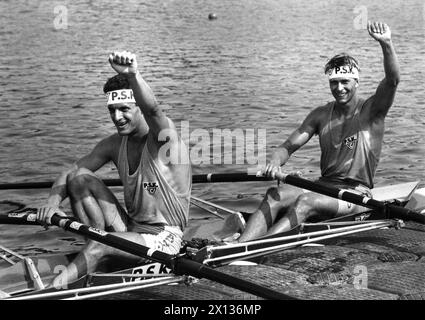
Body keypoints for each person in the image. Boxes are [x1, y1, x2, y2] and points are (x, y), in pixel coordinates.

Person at [36, 51, 192, 288]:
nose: (117, 117)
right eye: (112, 110)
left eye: (124, 109)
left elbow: (154, 112)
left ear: (138, 106)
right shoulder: (114, 144)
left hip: (165, 238)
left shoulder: (163, 138)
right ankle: (95, 253)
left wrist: (133, 75)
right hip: (131, 228)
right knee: (79, 178)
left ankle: (54, 288)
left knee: (101, 243)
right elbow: (72, 169)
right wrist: (52, 202)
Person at [237, 21, 400, 242]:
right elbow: (287, 147)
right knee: (275, 194)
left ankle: (248, 247)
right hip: (323, 186)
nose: (339, 88)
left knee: (305, 202)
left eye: (345, 82)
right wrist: (275, 162)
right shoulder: (321, 115)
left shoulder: (372, 111)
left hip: (355, 195)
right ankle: (241, 243)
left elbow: (392, 81)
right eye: (334, 82)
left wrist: (386, 43)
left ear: (356, 82)